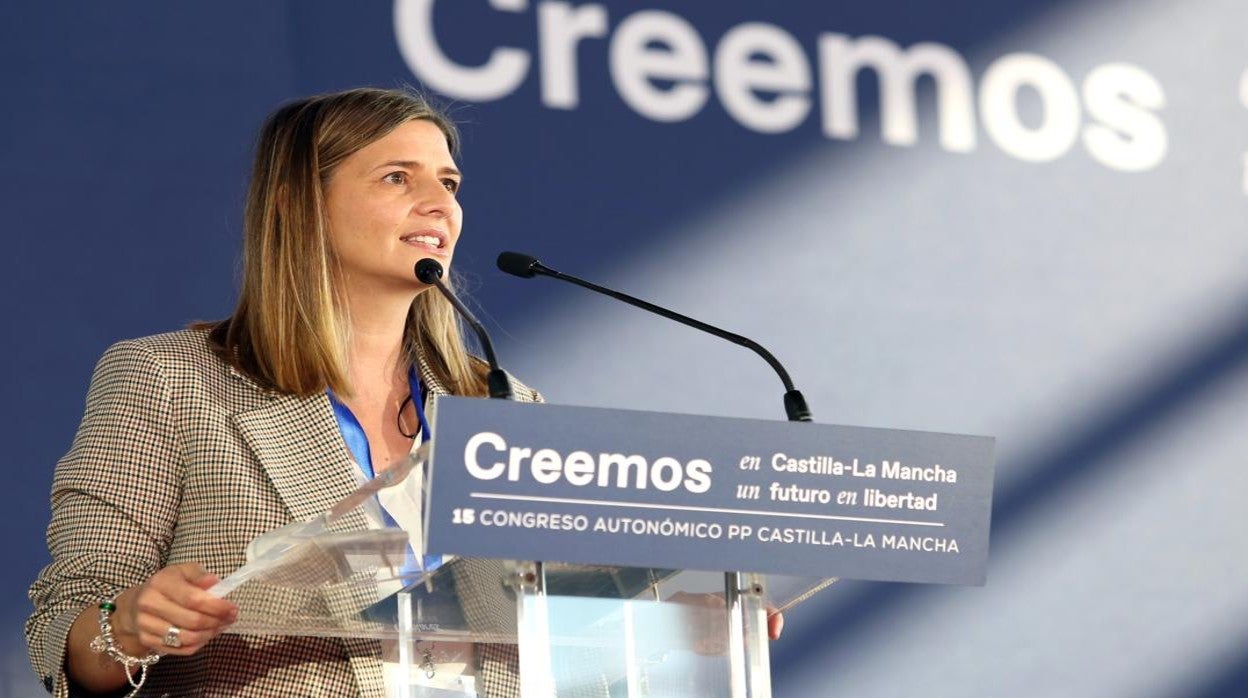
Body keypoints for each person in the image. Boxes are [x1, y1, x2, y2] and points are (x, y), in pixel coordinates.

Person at [26, 87, 541, 697]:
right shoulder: (170, 379)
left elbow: (556, 618)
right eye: (398, 178)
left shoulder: (505, 408)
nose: (437, 205)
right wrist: (132, 625)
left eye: (449, 183)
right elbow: (69, 624)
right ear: (300, 205)